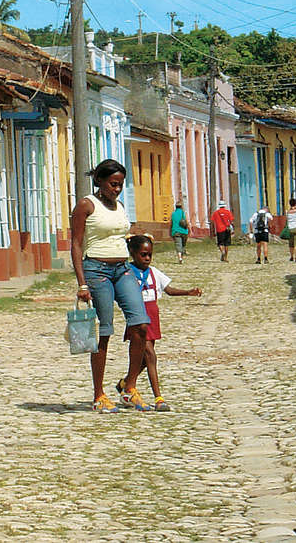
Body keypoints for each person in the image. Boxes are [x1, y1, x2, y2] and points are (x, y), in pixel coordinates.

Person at [70, 159, 153, 413]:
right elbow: (75, 244)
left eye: (120, 185)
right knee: (104, 332)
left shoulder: (119, 206)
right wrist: (82, 283)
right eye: (113, 184)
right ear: (99, 181)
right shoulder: (86, 205)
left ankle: (129, 387)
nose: (117, 189)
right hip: (97, 272)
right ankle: (99, 395)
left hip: (122, 269)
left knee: (140, 325)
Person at [124, 235, 202, 412]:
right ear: (133, 253)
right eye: (143, 255)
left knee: (142, 359)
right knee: (150, 355)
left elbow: (168, 290)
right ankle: (158, 397)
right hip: (137, 318)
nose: (147, 258)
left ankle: (126, 382)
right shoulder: (127, 273)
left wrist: (187, 292)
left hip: (152, 317)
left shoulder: (154, 272)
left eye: (150, 255)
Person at [282, 197, 296, 262]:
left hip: (290, 228)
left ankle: (291, 256)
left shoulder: (287, 212)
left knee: (291, 244)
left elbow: (286, 220)